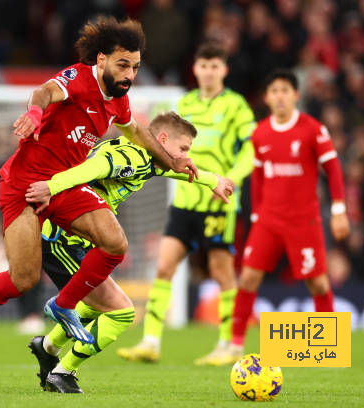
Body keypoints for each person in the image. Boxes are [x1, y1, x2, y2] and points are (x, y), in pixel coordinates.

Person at [0, 16, 198, 359]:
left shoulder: (117, 99)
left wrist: (171, 161)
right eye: (123, 64)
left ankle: (64, 305)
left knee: (115, 243)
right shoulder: (79, 78)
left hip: (63, 187)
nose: (130, 74)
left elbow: (139, 132)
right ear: (101, 60)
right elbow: (44, 91)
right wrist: (36, 114)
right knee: (23, 279)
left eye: (136, 67)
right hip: (24, 186)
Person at [25, 112, 234, 393]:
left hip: (84, 241)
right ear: (161, 140)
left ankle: (47, 346)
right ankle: (63, 371)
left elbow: (175, 171)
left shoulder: (149, 158)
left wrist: (213, 180)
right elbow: (93, 168)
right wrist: (51, 187)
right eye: (183, 148)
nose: (186, 156)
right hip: (64, 240)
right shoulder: (131, 157)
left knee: (92, 305)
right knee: (122, 312)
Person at [117, 43, 256, 365]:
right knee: (164, 267)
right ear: (195, 69)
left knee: (222, 273)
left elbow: (251, 151)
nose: (208, 71)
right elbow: (153, 137)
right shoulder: (183, 103)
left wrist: (232, 178)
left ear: (224, 70)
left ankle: (229, 346)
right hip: (183, 201)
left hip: (218, 203)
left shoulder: (236, 106)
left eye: (215, 66)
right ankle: (150, 342)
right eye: (203, 65)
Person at [212, 69, 350, 365]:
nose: (279, 96)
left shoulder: (312, 129)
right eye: (274, 91)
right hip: (269, 221)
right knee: (248, 278)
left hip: (304, 221)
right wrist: (258, 215)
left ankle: (327, 350)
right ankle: (235, 345)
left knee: (319, 284)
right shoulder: (260, 132)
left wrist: (339, 210)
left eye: (285, 90)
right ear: (266, 98)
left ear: (295, 95)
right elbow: (259, 177)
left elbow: (334, 169)